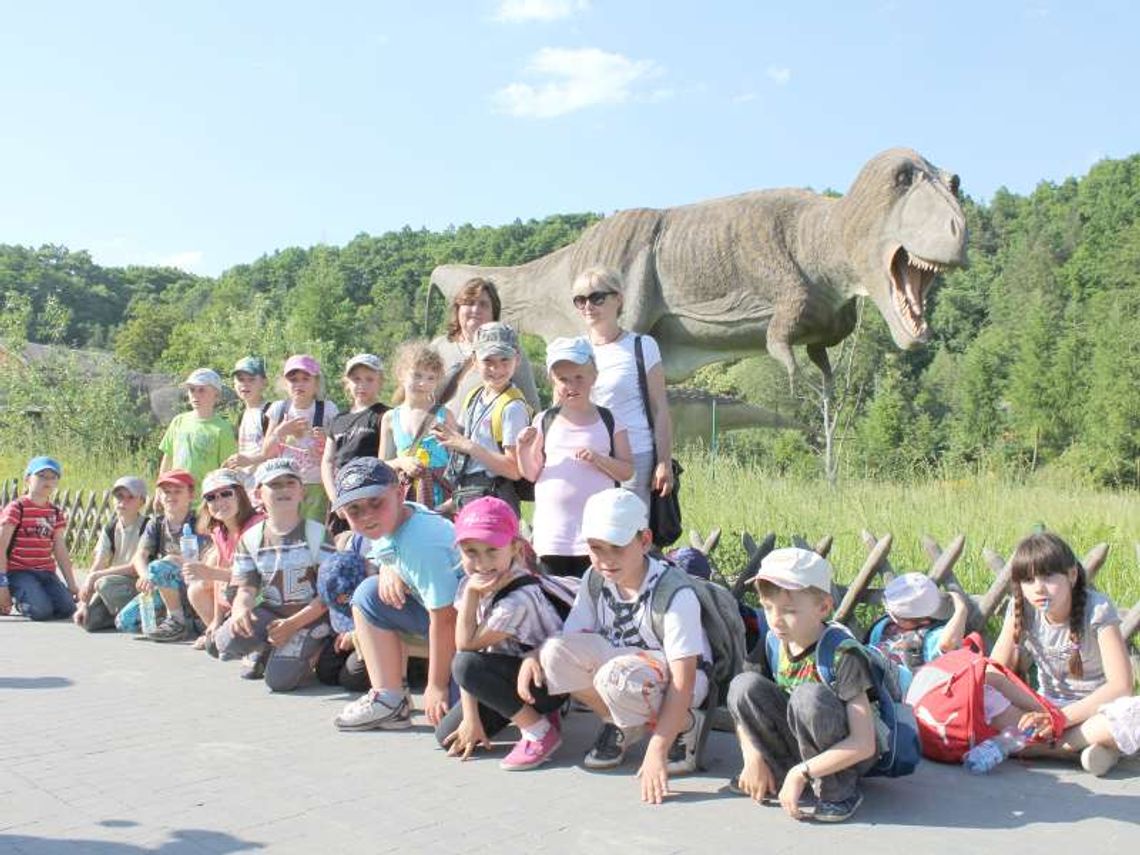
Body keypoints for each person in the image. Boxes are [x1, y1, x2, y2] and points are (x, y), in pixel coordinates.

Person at [520, 488, 710, 804]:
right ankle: (620, 724)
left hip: (679, 680)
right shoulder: (594, 580)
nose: (606, 560)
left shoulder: (675, 594)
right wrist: (534, 655)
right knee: (554, 656)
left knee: (615, 676)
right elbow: (570, 640)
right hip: (624, 670)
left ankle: (686, 728)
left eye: (617, 548)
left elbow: (684, 678)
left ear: (645, 541)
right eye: (596, 548)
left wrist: (656, 750)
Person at [726, 548, 879, 823]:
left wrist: (802, 772)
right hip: (801, 739)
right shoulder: (774, 641)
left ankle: (838, 790)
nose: (775, 619)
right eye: (768, 607)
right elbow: (742, 710)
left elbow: (864, 743)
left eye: (789, 610)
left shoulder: (843, 655)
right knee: (743, 685)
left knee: (807, 697)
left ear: (823, 607)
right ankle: (777, 769)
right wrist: (753, 759)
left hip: (846, 752)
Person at [989, 532, 1139, 776]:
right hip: (1041, 708)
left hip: (1092, 710)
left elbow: (1121, 686)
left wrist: (1061, 719)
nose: (1038, 588)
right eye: (1028, 580)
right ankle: (1082, 748)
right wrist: (1046, 714)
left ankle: (1038, 748)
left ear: (1071, 575)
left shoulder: (1097, 609)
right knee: (982, 689)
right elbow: (993, 669)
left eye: (1048, 576)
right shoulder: (1021, 608)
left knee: (1135, 713)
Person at [330, 457, 462, 732]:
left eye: (376, 502)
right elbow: (388, 551)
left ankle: (532, 697)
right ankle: (390, 700)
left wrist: (436, 685)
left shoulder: (423, 542)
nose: (366, 515)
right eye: (354, 509)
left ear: (400, 492)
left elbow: (446, 617)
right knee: (369, 593)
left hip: (478, 635)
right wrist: (390, 568)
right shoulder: (394, 521)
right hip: (448, 623)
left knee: (450, 730)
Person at [436, 498, 567, 770]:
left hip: (548, 681)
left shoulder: (518, 598)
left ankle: (540, 731)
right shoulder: (469, 584)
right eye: (471, 552)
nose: (482, 563)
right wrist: (470, 718)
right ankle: (530, 714)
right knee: (448, 737)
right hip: (509, 674)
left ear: (515, 547)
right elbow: (471, 653)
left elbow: (466, 646)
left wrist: (473, 595)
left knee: (465, 663)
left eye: (492, 551)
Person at [516, 336, 634, 578]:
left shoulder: (609, 420)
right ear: (552, 381)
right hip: (553, 538)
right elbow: (530, 473)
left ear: (594, 377)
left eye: (579, 377)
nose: (572, 385)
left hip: (598, 536)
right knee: (555, 604)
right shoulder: (544, 420)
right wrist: (521, 448)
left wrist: (599, 459)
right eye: (563, 379)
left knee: (595, 603)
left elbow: (627, 470)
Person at [213, 458, 333, 691]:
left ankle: (314, 651)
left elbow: (328, 597)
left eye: (290, 483)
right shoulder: (251, 538)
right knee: (223, 642)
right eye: (275, 485)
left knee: (279, 682)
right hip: (272, 614)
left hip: (311, 618)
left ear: (302, 492)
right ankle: (266, 647)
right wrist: (240, 610)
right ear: (259, 494)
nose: (284, 489)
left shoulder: (318, 534)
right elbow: (246, 588)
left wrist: (292, 625)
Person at [571, 266, 674, 509]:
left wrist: (664, 462)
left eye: (597, 297)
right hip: (587, 456)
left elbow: (660, 409)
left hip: (636, 456)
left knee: (631, 536)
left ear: (618, 299)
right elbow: (561, 408)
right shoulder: (574, 350)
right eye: (580, 300)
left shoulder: (642, 345)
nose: (588, 306)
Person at [433, 322, 528, 514]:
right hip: (468, 495)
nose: (497, 368)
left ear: (516, 360)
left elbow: (514, 469)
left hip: (496, 498)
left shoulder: (513, 407)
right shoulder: (474, 397)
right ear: (475, 361)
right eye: (488, 361)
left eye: (504, 360)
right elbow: (463, 453)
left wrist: (466, 445)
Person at [431, 277, 540, 416]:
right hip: (438, 434)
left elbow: (531, 405)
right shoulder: (438, 348)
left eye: (483, 305)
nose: (476, 309)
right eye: (469, 303)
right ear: (458, 309)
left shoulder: (510, 351)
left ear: (493, 313)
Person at [180, 469, 263, 651]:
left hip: (261, 594)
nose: (219, 502)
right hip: (237, 592)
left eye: (226, 494)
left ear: (240, 495)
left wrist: (209, 572)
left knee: (232, 589)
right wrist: (215, 620)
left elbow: (258, 576)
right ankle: (220, 631)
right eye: (211, 497)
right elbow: (218, 578)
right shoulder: (219, 531)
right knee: (197, 589)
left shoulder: (256, 526)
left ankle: (248, 641)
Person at [128, 469, 208, 642]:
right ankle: (183, 620)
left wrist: (173, 560)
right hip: (165, 585)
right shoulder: (156, 523)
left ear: (191, 495)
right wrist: (145, 576)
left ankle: (177, 620)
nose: (171, 496)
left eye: (178, 491)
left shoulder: (201, 522)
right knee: (126, 622)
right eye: (166, 491)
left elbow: (207, 560)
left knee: (162, 565)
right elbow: (140, 554)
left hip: (196, 582)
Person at [261, 354, 339, 523]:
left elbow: (338, 449)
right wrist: (281, 432)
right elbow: (266, 452)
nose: (299, 384)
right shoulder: (279, 409)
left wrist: (326, 441)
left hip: (317, 484)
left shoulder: (327, 410)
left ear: (316, 383)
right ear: (285, 383)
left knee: (314, 532)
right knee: (288, 529)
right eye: (293, 379)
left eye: (305, 379)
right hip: (285, 484)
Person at [380, 341, 457, 510]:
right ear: (401, 375)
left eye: (431, 378)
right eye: (417, 375)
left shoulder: (445, 416)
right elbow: (383, 465)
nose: (423, 383)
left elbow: (458, 464)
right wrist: (402, 462)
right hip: (405, 499)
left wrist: (449, 505)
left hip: (442, 500)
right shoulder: (390, 418)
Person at [0, 456, 77, 621]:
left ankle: (35, 594)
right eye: (41, 475)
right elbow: (1, 547)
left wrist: (71, 585)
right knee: (41, 612)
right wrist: (2, 586)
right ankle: (19, 598)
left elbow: (60, 549)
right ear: (28, 478)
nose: (47, 481)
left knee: (68, 608)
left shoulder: (55, 512)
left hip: (46, 572)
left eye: (53, 477)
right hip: (18, 571)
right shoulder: (16, 508)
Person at [320, 353, 389, 535]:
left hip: (370, 496)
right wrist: (335, 498)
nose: (362, 385)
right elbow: (327, 462)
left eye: (369, 379)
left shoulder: (385, 415)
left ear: (380, 381)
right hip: (342, 498)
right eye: (356, 379)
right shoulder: (337, 420)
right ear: (346, 383)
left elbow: (386, 459)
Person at [74, 476, 149, 631]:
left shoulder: (147, 527)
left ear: (141, 502)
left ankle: (142, 615)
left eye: (130, 497)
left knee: (103, 582)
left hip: (137, 584)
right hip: (113, 588)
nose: (123, 501)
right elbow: (98, 563)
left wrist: (96, 576)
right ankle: (122, 617)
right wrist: (83, 605)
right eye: (119, 496)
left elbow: (135, 567)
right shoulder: (110, 528)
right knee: (88, 621)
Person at [158, 368, 238, 496]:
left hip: (205, 499)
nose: (195, 395)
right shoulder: (178, 421)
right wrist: (160, 491)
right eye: (192, 390)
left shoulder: (222, 428)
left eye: (202, 390)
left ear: (216, 394)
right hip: (176, 498)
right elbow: (168, 458)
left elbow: (226, 469)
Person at [869, 572, 968, 672]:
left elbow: (947, 644)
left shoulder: (930, 637)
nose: (890, 617)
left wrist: (961, 610)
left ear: (924, 622)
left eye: (895, 616)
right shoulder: (883, 626)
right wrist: (961, 609)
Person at [314, 548, 372, 693]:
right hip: (351, 633)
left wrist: (356, 634)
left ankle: (410, 670)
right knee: (326, 673)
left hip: (376, 633)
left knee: (352, 678)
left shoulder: (373, 588)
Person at [224, 356, 271, 474]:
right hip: (246, 482)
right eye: (240, 379)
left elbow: (278, 452)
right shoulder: (242, 416)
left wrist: (249, 460)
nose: (245, 384)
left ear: (264, 382)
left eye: (251, 379)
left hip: (265, 480)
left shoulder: (270, 412)